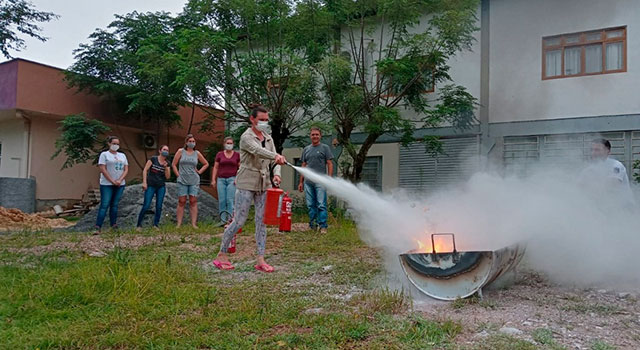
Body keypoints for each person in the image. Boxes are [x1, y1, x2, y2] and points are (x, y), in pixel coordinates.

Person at [213, 105, 287, 272]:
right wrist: (275, 156)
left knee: (262, 222)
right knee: (239, 219)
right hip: (246, 182)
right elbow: (258, 151)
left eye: (266, 120)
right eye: (261, 120)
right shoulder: (246, 137)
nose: (264, 123)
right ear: (252, 119)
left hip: (263, 183)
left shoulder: (269, 138)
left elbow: (275, 160)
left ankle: (260, 259)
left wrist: (277, 174)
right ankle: (221, 254)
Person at [297, 127, 334, 234]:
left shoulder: (325, 148)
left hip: (320, 181)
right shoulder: (306, 149)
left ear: (320, 136)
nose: (315, 136)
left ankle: (323, 226)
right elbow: (303, 165)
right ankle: (312, 225)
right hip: (308, 182)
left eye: (317, 134)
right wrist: (300, 182)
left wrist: (329, 179)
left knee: (321, 204)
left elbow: (330, 163)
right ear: (310, 136)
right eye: (313, 134)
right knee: (310, 205)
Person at [580, 138, 634, 205]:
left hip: (623, 207)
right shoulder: (588, 170)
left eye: (597, 150)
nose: (593, 153)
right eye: (592, 150)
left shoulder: (616, 166)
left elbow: (612, 185)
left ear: (608, 151)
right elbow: (579, 188)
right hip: (601, 207)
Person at [172, 134, 209, 229]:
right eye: (190, 141)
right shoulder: (181, 151)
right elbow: (173, 164)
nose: (192, 143)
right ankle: (179, 224)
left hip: (194, 180)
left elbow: (206, 164)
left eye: (193, 141)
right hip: (182, 179)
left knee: (193, 201)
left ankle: (193, 223)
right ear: (186, 142)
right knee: (182, 201)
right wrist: (178, 175)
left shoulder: (197, 153)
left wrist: (199, 171)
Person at [94, 136, 129, 235]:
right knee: (105, 204)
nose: (116, 146)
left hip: (120, 184)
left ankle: (113, 225)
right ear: (109, 144)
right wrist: (112, 180)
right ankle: (98, 226)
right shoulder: (104, 155)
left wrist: (120, 179)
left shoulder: (122, 155)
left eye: (117, 144)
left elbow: (126, 169)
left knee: (115, 205)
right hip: (107, 184)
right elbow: (103, 169)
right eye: (114, 143)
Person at [136, 145, 171, 230]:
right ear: (160, 151)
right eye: (164, 149)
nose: (165, 151)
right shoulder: (153, 159)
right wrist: (144, 182)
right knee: (146, 204)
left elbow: (168, 177)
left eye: (167, 150)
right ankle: (138, 225)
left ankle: (156, 225)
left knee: (159, 206)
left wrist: (166, 168)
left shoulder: (167, 163)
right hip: (151, 185)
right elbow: (145, 170)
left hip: (161, 186)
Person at [211, 136, 240, 225]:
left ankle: (230, 219)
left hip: (232, 179)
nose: (229, 145)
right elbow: (216, 167)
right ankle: (223, 220)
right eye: (228, 143)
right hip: (221, 179)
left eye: (231, 143)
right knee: (222, 200)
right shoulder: (219, 154)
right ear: (224, 144)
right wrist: (213, 179)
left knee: (230, 200)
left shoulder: (236, 155)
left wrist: (238, 178)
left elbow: (240, 168)